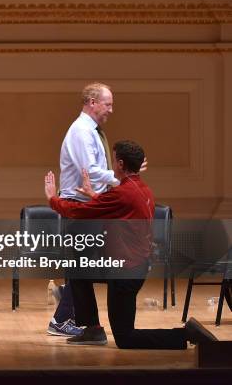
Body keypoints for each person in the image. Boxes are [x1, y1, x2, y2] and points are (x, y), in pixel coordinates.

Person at [44, 140, 217, 348]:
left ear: (121, 164)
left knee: (126, 338)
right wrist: (93, 195)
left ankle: (185, 335)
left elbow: (78, 212)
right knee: (78, 271)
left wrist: (53, 199)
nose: (112, 164)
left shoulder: (123, 193)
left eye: (114, 160)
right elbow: (117, 207)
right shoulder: (142, 189)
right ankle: (93, 330)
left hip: (125, 273)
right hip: (129, 266)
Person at [47, 82, 121, 337]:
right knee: (83, 267)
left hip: (88, 205)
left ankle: (67, 306)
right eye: (108, 104)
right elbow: (89, 171)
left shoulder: (91, 131)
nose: (111, 109)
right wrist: (122, 179)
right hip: (79, 206)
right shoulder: (82, 131)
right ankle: (62, 317)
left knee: (84, 267)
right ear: (92, 102)